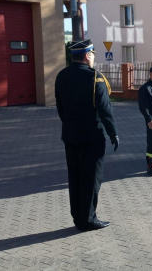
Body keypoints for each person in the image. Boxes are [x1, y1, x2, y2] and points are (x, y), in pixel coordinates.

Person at [55, 39, 119, 231]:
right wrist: (113, 132)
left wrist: (70, 125)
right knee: (91, 179)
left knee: (75, 177)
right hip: (92, 137)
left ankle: (78, 217)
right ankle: (89, 219)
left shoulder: (61, 76)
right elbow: (105, 110)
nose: (92, 58)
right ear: (86, 55)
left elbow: (60, 107)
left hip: (70, 136)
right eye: (92, 54)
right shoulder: (95, 78)